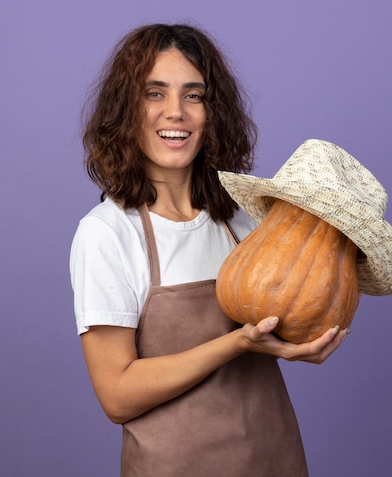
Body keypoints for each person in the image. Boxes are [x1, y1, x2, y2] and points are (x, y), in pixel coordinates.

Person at [70, 23, 349, 477]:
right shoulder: (107, 233)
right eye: (154, 94)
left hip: (274, 457)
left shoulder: (244, 221)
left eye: (193, 95)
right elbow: (117, 396)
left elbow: (294, 306)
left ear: (212, 112)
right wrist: (238, 342)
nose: (175, 112)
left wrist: (302, 341)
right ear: (126, 110)